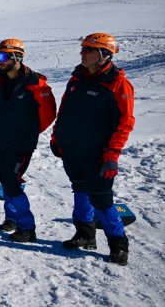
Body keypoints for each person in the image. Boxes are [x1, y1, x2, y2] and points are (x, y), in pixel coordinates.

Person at [51, 33, 135, 265]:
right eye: (83, 49)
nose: (83, 54)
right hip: (73, 150)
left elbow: (125, 123)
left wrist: (112, 155)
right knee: (79, 191)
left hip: (99, 155)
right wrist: (58, 137)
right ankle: (85, 235)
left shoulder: (118, 84)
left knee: (102, 201)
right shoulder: (77, 78)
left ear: (104, 54)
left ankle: (119, 244)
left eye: (88, 50)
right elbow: (65, 111)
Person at [0, 38, 56, 242]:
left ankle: (27, 227)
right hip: (1, 139)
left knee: (12, 181)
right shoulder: (0, 80)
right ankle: (12, 218)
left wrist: (26, 132)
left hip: (21, 144)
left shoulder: (36, 85)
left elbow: (48, 116)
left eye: (2, 56)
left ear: (17, 57)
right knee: (5, 179)